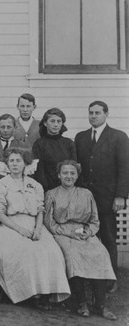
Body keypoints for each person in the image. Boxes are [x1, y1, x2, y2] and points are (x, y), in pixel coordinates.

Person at [0, 148, 70, 307]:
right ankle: (28, 293)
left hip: (34, 224)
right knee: (25, 251)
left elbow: (40, 210)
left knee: (51, 250)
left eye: (18, 161)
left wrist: (38, 229)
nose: (15, 164)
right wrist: (19, 230)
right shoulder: (1, 184)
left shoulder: (35, 185)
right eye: (11, 161)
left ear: (25, 164)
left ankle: (45, 292)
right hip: (10, 226)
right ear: (6, 164)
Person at [44, 160, 117, 320]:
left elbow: (95, 220)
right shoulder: (51, 194)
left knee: (100, 253)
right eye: (65, 173)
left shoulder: (86, 194)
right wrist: (69, 233)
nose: (68, 176)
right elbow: (49, 223)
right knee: (73, 256)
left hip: (84, 233)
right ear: (58, 175)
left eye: (72, 173)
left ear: (77, 176)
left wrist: (89, 232)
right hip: (62, 233)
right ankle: (81, 303)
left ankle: (101, 305)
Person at [75, 100, 129, 293]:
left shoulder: (119, 137)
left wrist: (121, 195)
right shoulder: (80, 137)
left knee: (107, 237)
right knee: (87, 237)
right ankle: (89, 277)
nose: (93, 116)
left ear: (106, 114)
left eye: (97, 112)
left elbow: (124, 168)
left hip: (107, 198)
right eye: (90, 112)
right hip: (85, 198)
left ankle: (110, 278)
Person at [33, 108, 76, 192]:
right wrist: (47, 190)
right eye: (52, 121)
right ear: (45, 123)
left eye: (59, 121)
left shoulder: (69, 143)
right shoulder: (39, 144)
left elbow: (74, 167)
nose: (56, 125)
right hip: (48, 189)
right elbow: (39, 171)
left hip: (67, 188)